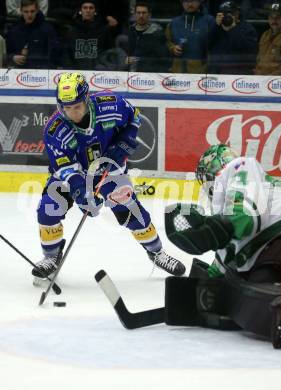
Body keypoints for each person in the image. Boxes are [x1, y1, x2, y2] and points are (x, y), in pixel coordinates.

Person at [163, 144, 281, 347]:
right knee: (245, 284)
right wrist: (198, 290)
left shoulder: (239, 167)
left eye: (206, 178)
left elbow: (247, 216)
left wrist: (212, 232)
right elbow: (223, 264)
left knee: (248, 294)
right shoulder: (229, 206)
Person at [32, 72, 186, 283]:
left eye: (76, 107)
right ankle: (51, 256)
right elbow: (64, 165)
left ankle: (156, 252)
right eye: (66, 108)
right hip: (73, 176)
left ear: (86, 99)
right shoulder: (55, 128)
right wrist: (80, 191)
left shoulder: (109, 104)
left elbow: (134, 116)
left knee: (131, 210)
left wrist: (123, 142)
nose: (72, 113)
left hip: (109, 169)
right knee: (49, 207)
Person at [62, 0, 118, 70]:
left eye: (91, 8)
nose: (88, 11)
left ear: (95, 12)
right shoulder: (71, 31)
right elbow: (66, 54)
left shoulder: (103, 31)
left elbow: (110, 52)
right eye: (85, 8)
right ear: (80, 11)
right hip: (75, 71)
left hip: (99, 72)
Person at [5, 0, 60, 69]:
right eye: (26, 12)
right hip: (18, 73)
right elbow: (6, 55)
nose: (29, 15)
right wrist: (12, 58)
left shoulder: (48, 30)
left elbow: (54, 56)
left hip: (42, 73)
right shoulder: (14, 31)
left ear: (37, 10)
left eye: (32, 11)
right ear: (21, 11)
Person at [208, 1, 257, 75]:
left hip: (240, 73)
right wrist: (216, 26)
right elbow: (207, 45)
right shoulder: (217, 27)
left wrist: (232, 29)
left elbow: (249, 49)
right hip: (218, 72)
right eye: (225, 13)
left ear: (237, 12)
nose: (228, 15)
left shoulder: (248, 28)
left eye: (231, 13)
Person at [165, 0, 215, 74]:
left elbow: (215, 44)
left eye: (193, 1)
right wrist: (172, 48)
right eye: (186, 1)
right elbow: (167, 41)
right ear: (182, 3)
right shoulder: (174, 22)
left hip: (201, 72)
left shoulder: (209, 21)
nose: (190, 4)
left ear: (199, 2)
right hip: (177, 71)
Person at [126, 1, 170, 72]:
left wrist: (138, 60)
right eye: (138, 13)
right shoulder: (129, 32)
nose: (141, 16)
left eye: (144, 13)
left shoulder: (158, 35)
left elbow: (161, 59)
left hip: (148, 75)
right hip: (126, 75)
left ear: (149, 15)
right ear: (134, 15)